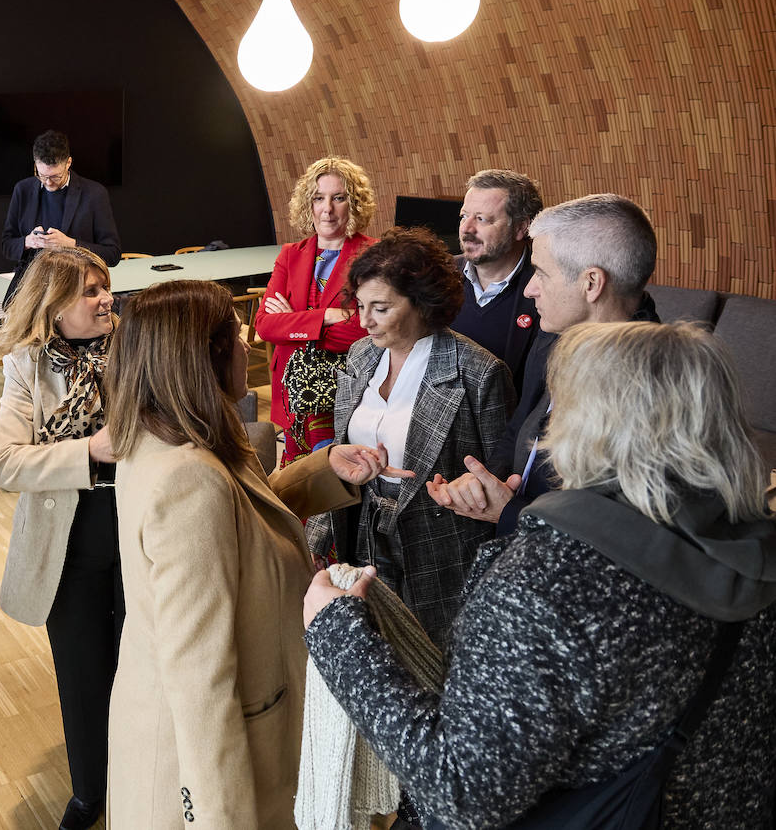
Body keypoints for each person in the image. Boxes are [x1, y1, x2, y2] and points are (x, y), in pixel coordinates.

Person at [303, 321, 776, 828]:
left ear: (589, 423)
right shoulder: (757, 548)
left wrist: (337, 634)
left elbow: (461, 792)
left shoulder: (546, 585)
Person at [103, 278, 402, 830]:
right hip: (215, 762)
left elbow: (236, 522)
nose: (249, 348)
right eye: (238, 339)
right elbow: (199, 678)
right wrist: (218, 819)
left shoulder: (166, 435)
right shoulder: (189, 480)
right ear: (205, 358)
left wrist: (322, 469)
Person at [315, 227, 514, 650]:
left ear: (423, 303)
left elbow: (499, 479)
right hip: (364, 538)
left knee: (433, 663)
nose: (363, 321)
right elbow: (338, 454)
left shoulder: (479, 372)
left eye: (381, 308)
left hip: (441, 555)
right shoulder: (361, 355)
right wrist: (318, 539)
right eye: (360, 306)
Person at [427, 193, 659, 536]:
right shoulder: (555, 332)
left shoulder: (650, 386)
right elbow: (521, 427)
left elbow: (615, 534)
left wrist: (509, 514)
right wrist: (486, 484)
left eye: (541, 273)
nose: (530, 289)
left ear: (591, 283)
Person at [0, 246, 121, 830]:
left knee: (143, 665)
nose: (105, 300)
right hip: (68, 541)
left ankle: (150, 776)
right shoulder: (26, 365)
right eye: (90, 291)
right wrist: (89, 451)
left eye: (104, 287)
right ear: (55, 303)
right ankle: (90, 788)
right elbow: (6, 463)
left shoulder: (134, 347)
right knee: (83, 674)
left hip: (144, 527)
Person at [254, 156, 377, 465]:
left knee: (340, 488)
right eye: (319, 198)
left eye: (339, 198)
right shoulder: (290, 255)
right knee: (300, 490)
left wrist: (292, 325)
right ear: (308, 204)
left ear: (354, 203)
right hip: (292, 393)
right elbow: (265, 326)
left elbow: (366, 329)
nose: (327, 209)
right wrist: (325, 316)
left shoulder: (374, 254)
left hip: (348, 393)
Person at [448, 168, 543, 395]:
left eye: (482, 219)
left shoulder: (545, 289)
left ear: (522, 227)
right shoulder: (437, 274)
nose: (467, 229)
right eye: (464, 216)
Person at [0, 129, 120, 304]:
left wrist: (70, 244)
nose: (48, 182)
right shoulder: (23, 190)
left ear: (68, 163)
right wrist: (28, 241)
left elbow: (112, 254)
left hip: (77, 285)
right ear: (35, 163)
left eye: (55, 176)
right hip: (32, 286)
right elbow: (6, 245)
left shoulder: (94, 194)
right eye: (41, 175)